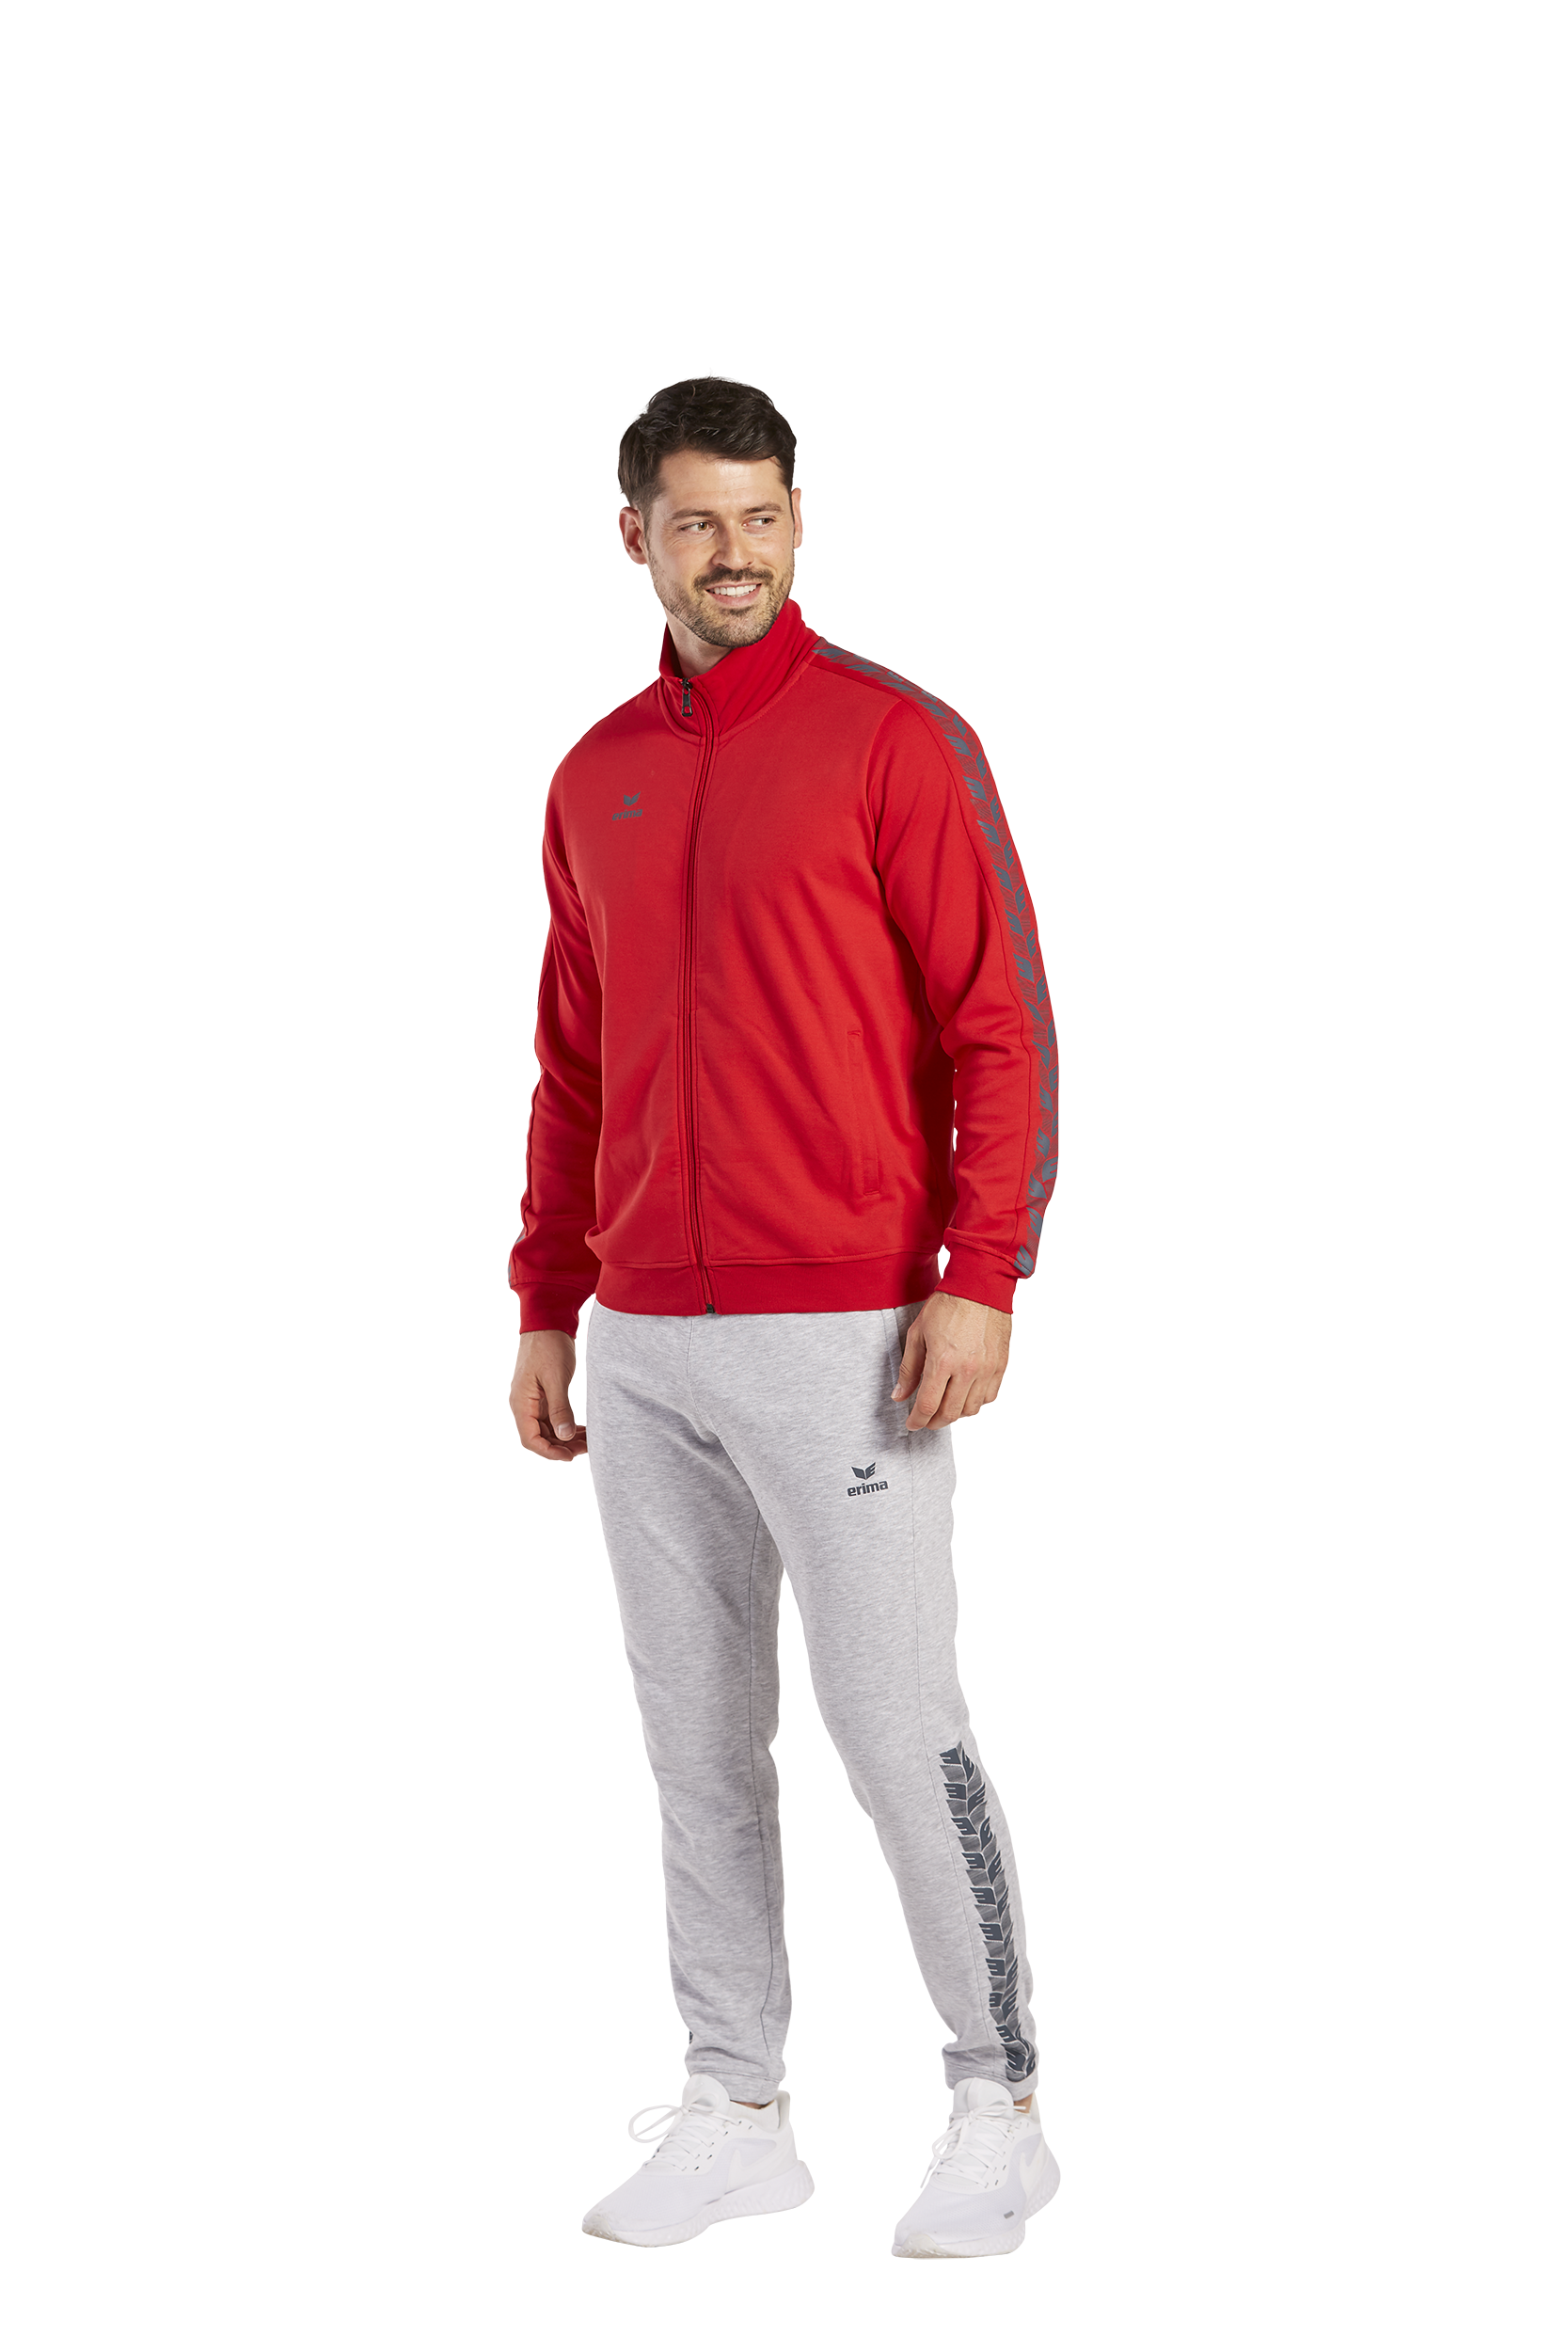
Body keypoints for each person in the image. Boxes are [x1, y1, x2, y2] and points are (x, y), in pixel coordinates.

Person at [508, 375, 1060, 2259]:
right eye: (696, 522)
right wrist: (546, 1297)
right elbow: (573, 1064)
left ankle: (992, 2099)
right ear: (636, 538)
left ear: (792, 525)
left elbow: (1002, 1029)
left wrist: (976, 1272)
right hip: (643, 1333)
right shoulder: (594, 777)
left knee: (898, 1726)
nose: (733, 553)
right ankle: (731, 2099)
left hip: (850, 1330)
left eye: (760, 518)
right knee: (691, 1738)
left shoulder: (893, 742)